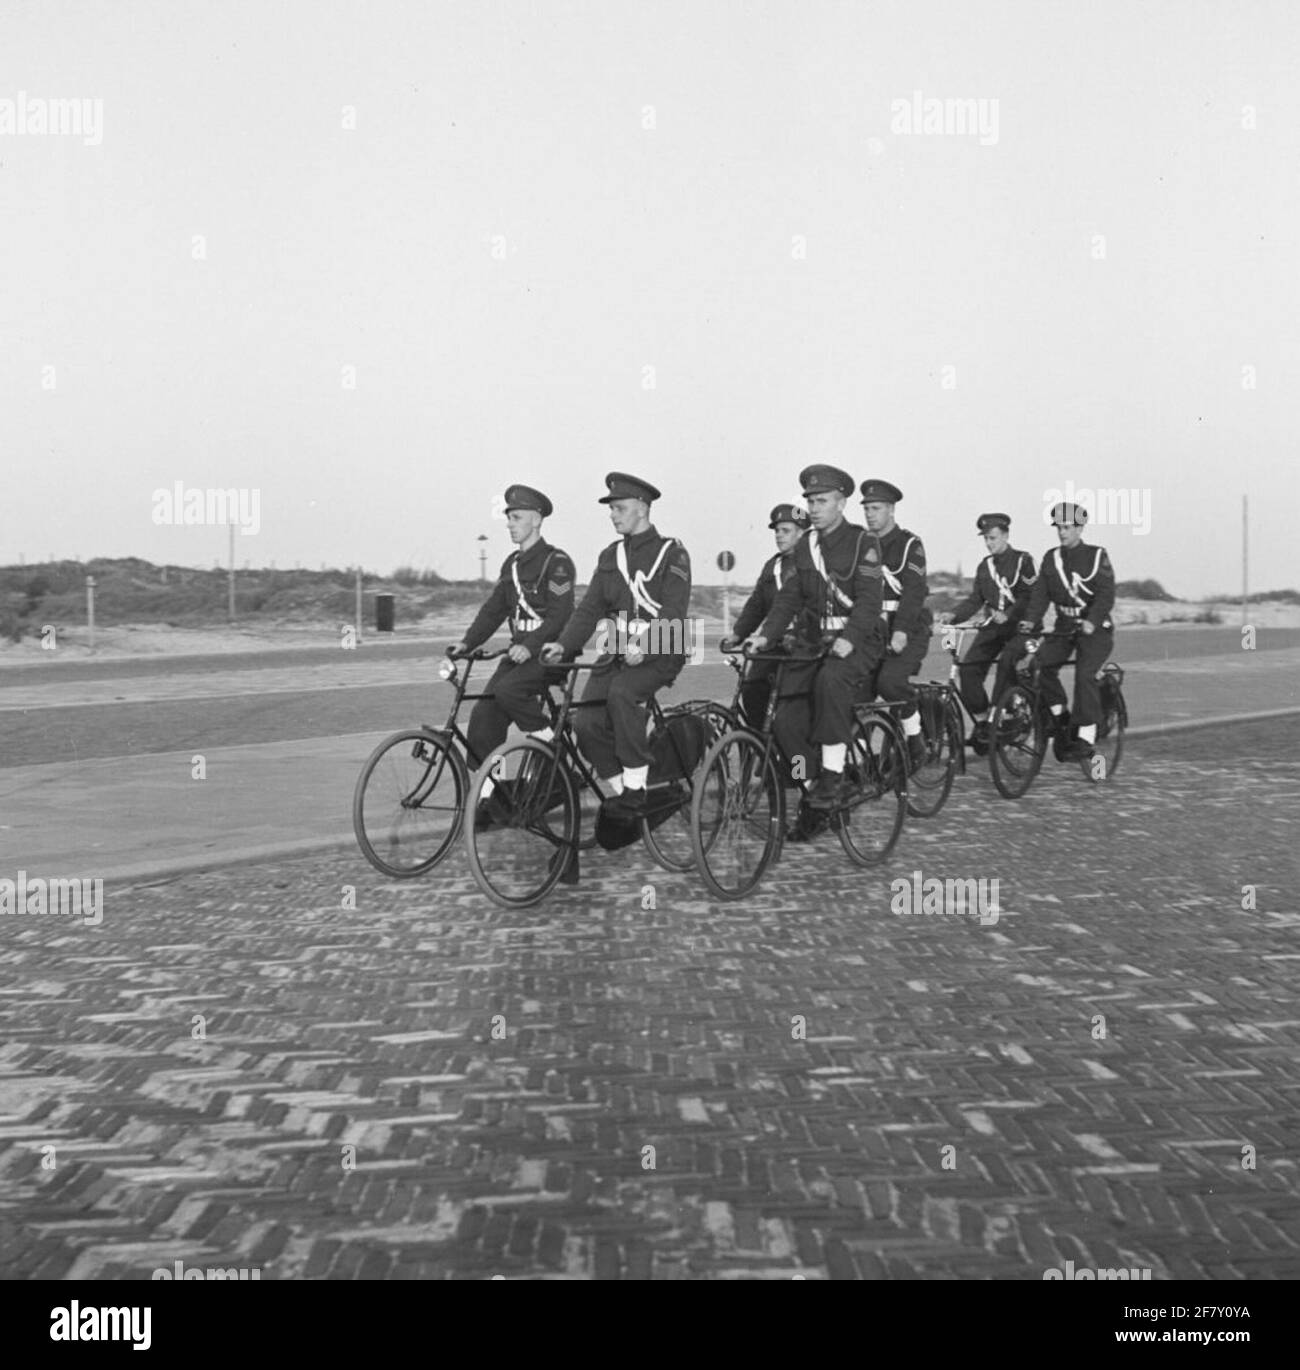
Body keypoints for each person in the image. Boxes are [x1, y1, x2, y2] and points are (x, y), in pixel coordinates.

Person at [742, 465, 885, 842]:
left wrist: (850, 638)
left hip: (857, 641)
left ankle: (835, 775)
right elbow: (790, 597)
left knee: (830, 681)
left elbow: (870, 602)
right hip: (814, 644)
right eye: (810, 501)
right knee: (786, 720)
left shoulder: (862, 543)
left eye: (822, 501)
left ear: (841, 503)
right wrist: (765, 635)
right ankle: (810, 785)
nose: (815, 508)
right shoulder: (807, 546)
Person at [540, 472, 692, 818]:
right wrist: (563, 646)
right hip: (618, 652)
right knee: (585, 723)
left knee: (622, 693)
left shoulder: (672, 553)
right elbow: (590, 609)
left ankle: (637, 788)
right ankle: (626, 794)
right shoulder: (610, 556)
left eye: (619, 508)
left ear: (641, 508)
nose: (613, 515)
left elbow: (674, 611)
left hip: (662, 648)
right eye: (611, 509)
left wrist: (646, 645)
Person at [448, 485, 575, 821]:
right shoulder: (512, 565)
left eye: (516, 517)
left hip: (550, 655)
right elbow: (493, 610)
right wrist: (467, 642)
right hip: (520, 656)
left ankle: (552, 746)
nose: (509, 524)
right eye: (508, 517)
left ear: (535, 520)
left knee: (508, 690)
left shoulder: (557, 563)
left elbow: (560, 615)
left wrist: (529, 646)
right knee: (484, 717)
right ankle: (494, 789)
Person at [1016, 502, 1116, 763]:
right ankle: (1060, 716)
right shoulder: (1052, 558)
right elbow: (1040, 594)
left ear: (1080, 528)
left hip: (1094, 630)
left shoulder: (1096, 556)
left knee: (1084, 674)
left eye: (1068, 527)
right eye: (1059, 528)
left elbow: (1106, 595)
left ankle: (1086, 733)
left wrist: (1092, 621)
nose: (1062, 533)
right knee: (1040, 665)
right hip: (1064, 627)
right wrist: (1030, 620)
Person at [935, 513, 1038, 755]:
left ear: (1005, 535)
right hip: (994, 627)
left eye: (993, 538)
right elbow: (975, 600)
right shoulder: (985, 566)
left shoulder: (1023, 561)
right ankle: (984, 722)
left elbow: (1029, 596)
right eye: (986, 539)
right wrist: (954, 615)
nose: (989, 543)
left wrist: (1010, 614)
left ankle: (1003, 716)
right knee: (969, 668)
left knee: (1006, 664)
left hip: (1021, 627)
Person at [858, 479, 931, 770]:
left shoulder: (910, 544)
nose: (869, 514)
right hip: (875, 632)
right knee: (856, 693)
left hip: (909, 629)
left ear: (891, 509)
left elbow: (913, 592)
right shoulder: (863, 545)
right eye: (866, 509)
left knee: (890, 683)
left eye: (876, 508)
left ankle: (915, 738)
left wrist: (900, 632)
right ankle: (862, 761)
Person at [720, 503, 810, 726]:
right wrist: (738, 634)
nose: (779, 536)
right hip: (771, 644)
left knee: (790, 705)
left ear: (801, 533)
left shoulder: (811, 565)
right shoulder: (773, 566)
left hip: (802, 645)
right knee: (751, 689)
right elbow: (756, 605)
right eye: (777, 531)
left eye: (786, 531)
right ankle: (760, 747)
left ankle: (797, 758)